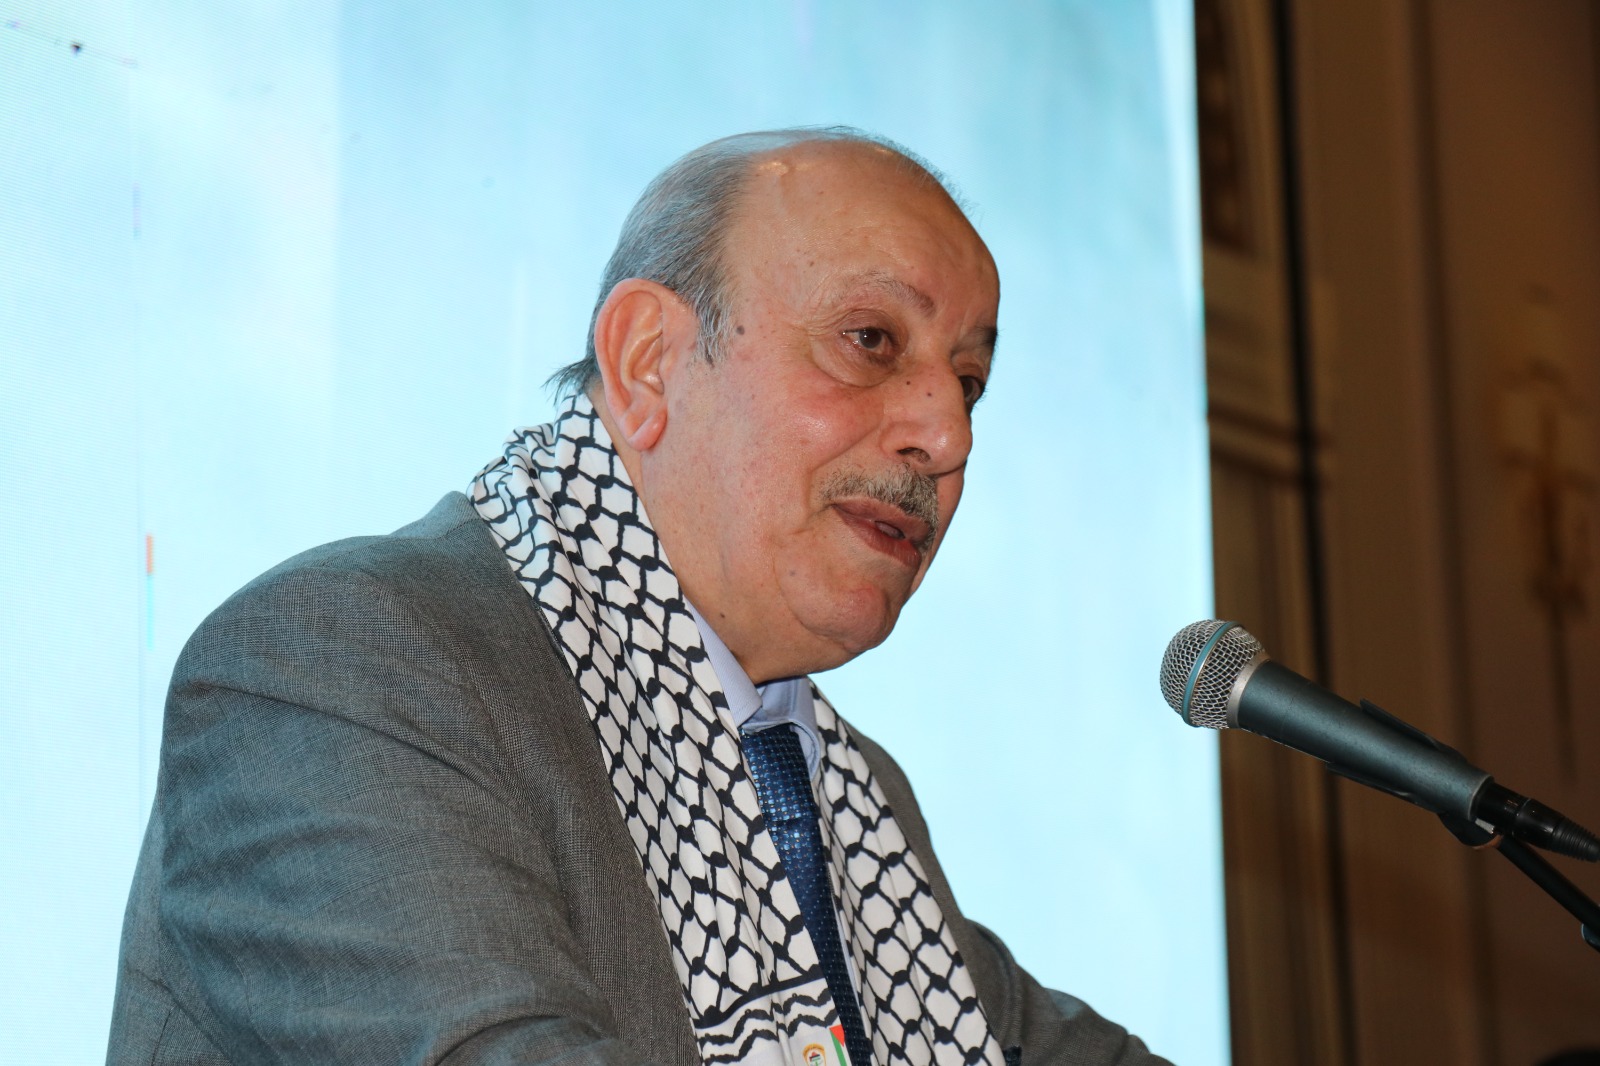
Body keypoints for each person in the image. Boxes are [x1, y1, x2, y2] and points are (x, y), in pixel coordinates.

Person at [108, 128, 1172, 1066]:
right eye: (871, 342)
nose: (946, 434)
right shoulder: (346, 667)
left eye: (970, 383)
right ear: (648, 362)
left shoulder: (841, 792)